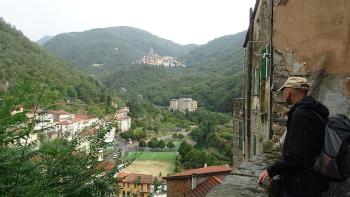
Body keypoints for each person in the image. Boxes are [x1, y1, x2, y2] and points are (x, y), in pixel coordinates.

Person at [258, 77, 329, 197]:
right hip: (313, 179)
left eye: (284, 91)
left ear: (289, 91)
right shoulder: (314, 110)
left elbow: (297, 155)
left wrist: (271, 170)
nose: (283, 94)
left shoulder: (301, 114)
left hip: (300, 184)